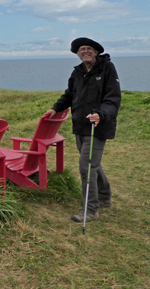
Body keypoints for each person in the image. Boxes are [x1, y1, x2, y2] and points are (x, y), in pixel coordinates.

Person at [45, 37, 121, 223]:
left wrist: (101, 115)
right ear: (78, 54)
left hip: (97, 126)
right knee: (92, 164)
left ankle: (91, 210)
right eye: (81, 49)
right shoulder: (78, 72)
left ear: (95, 51)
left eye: (88, 48)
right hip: (80, 126)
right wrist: (55, 108)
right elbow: (69, 94)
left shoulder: (107, 69)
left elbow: (113, 98)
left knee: (86, 166)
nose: (85, 51)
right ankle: (104, 197)